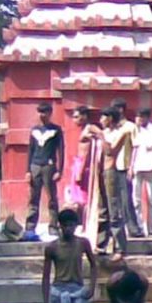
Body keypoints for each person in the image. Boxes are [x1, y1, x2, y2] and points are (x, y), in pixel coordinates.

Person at [68, 106, 103, 249]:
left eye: (77, 116)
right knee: (79, 200)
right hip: (79, 164)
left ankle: (86, 224)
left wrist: (80, 172)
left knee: (85, 199)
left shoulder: (91, 128)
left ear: (84, 116)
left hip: (84, 166)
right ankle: (83, 224)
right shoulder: (84, 129)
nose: (74, 120)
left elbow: (102, 136)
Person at [26, 102, 64, 236]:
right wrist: (27, 171)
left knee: (52, 198)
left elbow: (61, 150)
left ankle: (53, 226)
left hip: (49, 166)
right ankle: (30, 226)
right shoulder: (34, 130)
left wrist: (60, 170)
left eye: (44, 112)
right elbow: (30, 150)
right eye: (40, 112)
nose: (42, 115)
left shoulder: (56, 130)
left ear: (50, 113)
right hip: (35, 165)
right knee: (33, 197)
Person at [99, 107, 130, 257]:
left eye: (103, 117)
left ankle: (120, 247)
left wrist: (99, 135)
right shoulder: (104, 133)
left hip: (111, 172)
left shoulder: (120, 133)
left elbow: (110, 151)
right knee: (102, 209)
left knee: (114, 210)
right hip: (99, 172)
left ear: (110, 118)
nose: (100, 121)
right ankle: (101, 244)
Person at [110, 99, 143, 238]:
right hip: (111, 167)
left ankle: (133, 228)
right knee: (112, 200)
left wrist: (131, 167)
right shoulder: (112, 128)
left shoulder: (130, 127)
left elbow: (136, 147)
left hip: (124, 166)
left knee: (126, 199)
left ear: (121, 110)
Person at [131, 108, 152, 236]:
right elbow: (133, 148)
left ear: (147, 118)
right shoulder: (134, 130)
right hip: (137, 167)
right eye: (138, 117)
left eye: (142, 117)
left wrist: (139, 131)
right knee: (136, 199)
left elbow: (150, 143)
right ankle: (139, 226)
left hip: (150, 166)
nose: (139, 120)